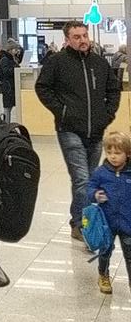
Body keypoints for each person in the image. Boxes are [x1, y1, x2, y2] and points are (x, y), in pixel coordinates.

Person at [35, 20, 120, 241]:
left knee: (90, 180)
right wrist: (62, 111)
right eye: (77, 37)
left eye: (84, 35)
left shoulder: (99, 63)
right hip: (69, 129)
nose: (82, 40)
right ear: (67, 40)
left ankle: (83, 221)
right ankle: (81, 225)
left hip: (96, 130)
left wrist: (107, 114)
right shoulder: (57, 62)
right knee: (81, 179)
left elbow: (113, 89)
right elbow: (42, 87)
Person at [86, 131, 131, 295]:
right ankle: (103, 275)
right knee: (105, 251)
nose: (113, 156)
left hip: (128, 222)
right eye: (109, 152)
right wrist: (95, 194)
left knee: (129, 254)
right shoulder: (100, 172)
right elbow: (90, 187)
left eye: (117, 153)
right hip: (106, 223)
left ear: (128, 154)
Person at [0, 43, 16, 123]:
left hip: (9, 85)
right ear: (10, 50)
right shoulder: (5, 59)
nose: (16, 51)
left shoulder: (10, 58)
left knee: (9, 106)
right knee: (7, 107)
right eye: (15, 49)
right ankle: (6, 124)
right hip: (7, 86)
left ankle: (7, 123)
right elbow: (6, 72)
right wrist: (15, 68)